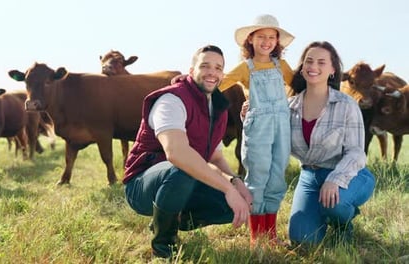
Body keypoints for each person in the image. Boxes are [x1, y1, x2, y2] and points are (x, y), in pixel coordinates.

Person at [122, 45, 253, 258]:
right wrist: (228, 189)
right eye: (205, 66)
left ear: (222, 75)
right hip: (142, 185)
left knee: (233, 202)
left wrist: (235, 182)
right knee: (181, 170)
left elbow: (216, 157)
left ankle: (165, 219)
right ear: (191, 71)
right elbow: (176, 153)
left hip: (182, 181)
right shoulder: (172, 100)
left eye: (218, 68)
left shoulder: (216, 108)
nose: (212, 72)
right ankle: (165, 247)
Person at [286, 41, 376, 245]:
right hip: (309, 176)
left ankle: (343, 224)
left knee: (334, 205)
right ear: (302, 68)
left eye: (321, 62)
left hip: (349, 173)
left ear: (333, 70)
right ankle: (321, 215)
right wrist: (250, 116)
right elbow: (270, 141)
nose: (313, 66)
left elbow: (356, 153)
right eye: (308, 61)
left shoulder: (347, 105)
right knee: (302, 240)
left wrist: (334, 179)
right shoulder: (289, 108)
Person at [218, 14, 295, 245]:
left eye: (272, 37)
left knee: (277, 177)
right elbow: (219, 83)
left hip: (281, 126)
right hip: (258, 127)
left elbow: (297, 87)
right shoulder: (245, 68)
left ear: (277, 41)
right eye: (261, 36)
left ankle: (271, 236)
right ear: (250, 39)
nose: (267, 41)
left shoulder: (281, 65)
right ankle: (256, 238)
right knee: (258, 176)